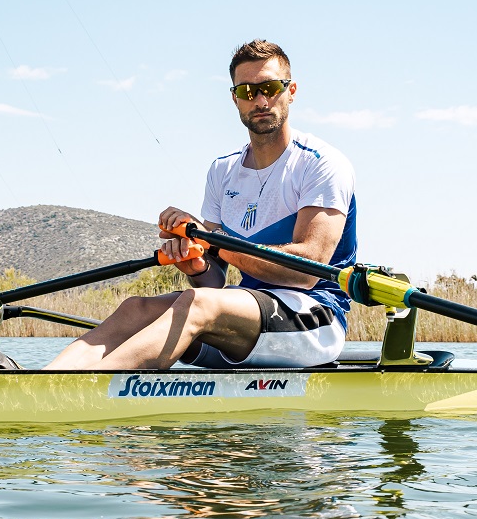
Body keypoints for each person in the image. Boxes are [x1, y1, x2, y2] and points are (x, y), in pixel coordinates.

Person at [44, 39, 357, 371]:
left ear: (290, 91)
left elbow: (306, 272)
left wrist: (216, 243)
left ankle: (83, 391)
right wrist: (197, 265)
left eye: (270, 87)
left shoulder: (322, 164)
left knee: (198, 305)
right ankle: (43, 383)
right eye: (248, 92)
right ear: (235, 98)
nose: (261, 100)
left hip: (315, 318)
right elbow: (214, 283)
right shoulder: (222, 171)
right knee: (135, 307)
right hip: (243, 312)